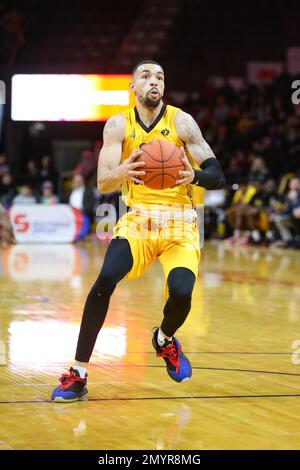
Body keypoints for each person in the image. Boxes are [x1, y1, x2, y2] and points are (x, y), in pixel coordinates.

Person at [51, 60, 226, 402]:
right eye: (145, 76)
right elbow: (103, 182)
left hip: (180, 223)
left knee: (182, 292)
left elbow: (217, 173)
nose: (154, 81)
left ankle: (163, 339)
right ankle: (79, 372)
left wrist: (195, 176)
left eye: (160, 75)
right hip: (139, 220)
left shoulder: (182, 122)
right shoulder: (118, 125)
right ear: (133, 87)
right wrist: (122, 171)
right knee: (104, 281)